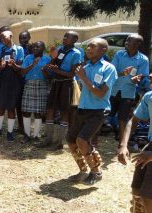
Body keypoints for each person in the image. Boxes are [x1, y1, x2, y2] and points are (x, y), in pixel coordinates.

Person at [67, 38, 117, 185]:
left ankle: (96, 172)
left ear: (103, 50)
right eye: (87, 46)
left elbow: (100, 93)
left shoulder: (108, 68)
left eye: (93, 46)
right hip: (83, 108)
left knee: (82, 140)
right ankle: (83, 170)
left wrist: (83, 77)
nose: (88, 49)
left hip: (98, 110)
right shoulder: (86, 67)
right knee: (71, 140)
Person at [36, 31, 83, 150]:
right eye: (64, 36)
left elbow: (72, 74)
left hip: (67, 84)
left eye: (68, 37)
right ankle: (48, 139)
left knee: (64, 112)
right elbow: (53, 64)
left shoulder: (76, 53)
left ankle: (59, 142)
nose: (65, 38)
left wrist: (57, 71)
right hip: (56, 82)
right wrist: (52, 60)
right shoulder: (59, 49)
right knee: (50, 110)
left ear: (75, 40)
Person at [117, 88, 152, 213]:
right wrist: (123, 145)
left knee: (148, 197)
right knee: (137, 190)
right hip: (149, 147)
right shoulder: (149, 96)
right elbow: (133, 120)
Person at [110, 34, 149, 141]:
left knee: (123, 119)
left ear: (138, 44)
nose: (126, 42)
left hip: (128, 93)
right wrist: (123, 74)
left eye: (130, 41)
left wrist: (137, 79)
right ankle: (94, 142)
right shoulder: (119, 54)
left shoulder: (143, 59)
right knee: (105, 116)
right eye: (127, 40)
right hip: (113, 90)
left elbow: (142, 76)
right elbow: (112, 71)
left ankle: (122, 143)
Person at [11, 41, 51, 143]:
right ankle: (27, 135)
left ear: (43, 48)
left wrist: (44, 70)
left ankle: (36, 135)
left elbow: (50, 77)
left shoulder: (48, 59)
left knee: (38, 113)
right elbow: (22, 72)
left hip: (42, 85)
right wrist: (33, 64)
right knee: (26, 111)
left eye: (37, 47)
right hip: (29, 84)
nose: (34, 49)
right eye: (33, 47)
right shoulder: (28, 58)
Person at [0, 30, 24, 142]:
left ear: (11, 36)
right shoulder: (0, 49)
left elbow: (20, 67)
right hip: (2, 79)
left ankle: (10, 132)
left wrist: (13, 64)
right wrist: (1, 66)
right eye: (1, 38)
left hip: (14, 80)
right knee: (0, 106)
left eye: (4, 37)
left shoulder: (19, 49)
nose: (2, 39)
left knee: (11, 107)